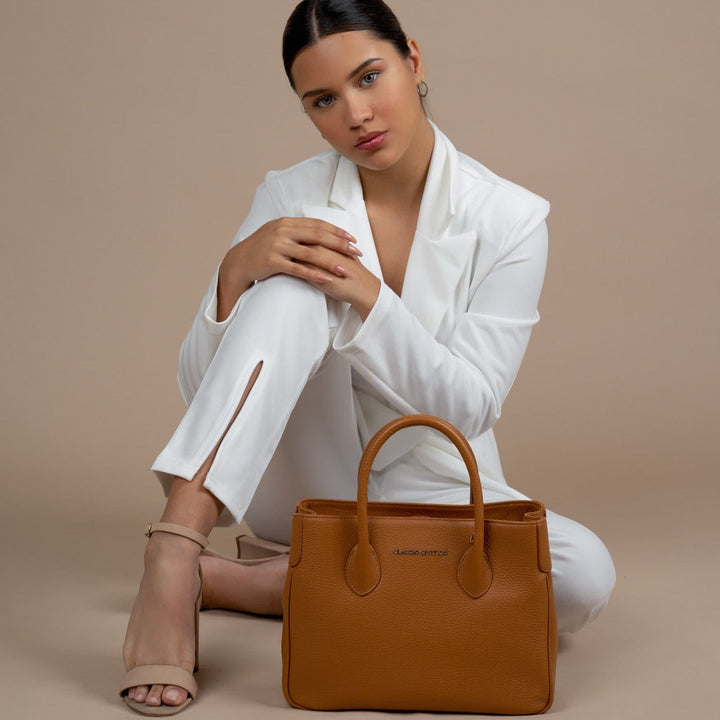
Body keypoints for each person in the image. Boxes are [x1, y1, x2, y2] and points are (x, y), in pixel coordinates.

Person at [119, 0, 616, 714]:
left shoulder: (509, 219)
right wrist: (235, 276)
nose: (355, 113)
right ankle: (173, 552)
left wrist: (370, 299)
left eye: (369, 77)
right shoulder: (289, 193)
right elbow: (204, 385)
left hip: (424, 480)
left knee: (579, 576)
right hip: (296, 471)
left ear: (412, 60)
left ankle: (246, 582)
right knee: (294, 289)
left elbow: (472, 404)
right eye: (323, 99)